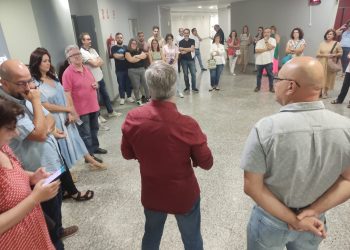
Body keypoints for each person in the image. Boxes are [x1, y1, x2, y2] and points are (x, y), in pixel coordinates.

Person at [241, 56, 350, 250]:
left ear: (290, 86)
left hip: (270, 220)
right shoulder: (346, 128)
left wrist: (294, 220)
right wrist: (312, 212)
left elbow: (252, 187)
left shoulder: (266, 129)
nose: (275, 83)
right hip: (314, 221)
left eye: (277, 79)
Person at [121, 61, 213, 250]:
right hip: (183, 194)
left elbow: (127, 153)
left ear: (149, 86)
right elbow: (207, 162)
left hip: (152, 191)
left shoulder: (133, 118)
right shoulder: (187, 124)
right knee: (192, 239)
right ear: (174, 85)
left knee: (151, 236)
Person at [0, 59, 78, 249]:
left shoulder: (24, 95)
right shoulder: (5, 108)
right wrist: (36, 102)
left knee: (54, 213)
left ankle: (57, 231)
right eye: (21, 82)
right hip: (35, 172)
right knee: (48, 215)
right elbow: (40, 133)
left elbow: (48, 120)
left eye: (29, 80)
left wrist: (44, 128)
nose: (28, 87)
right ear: (4, 83)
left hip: (48, 166)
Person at [29, 47, 106, 171]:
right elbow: (44, 105)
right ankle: (68, 171)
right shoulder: (35, 83)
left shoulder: (52, 76)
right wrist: (68, 109)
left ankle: (90, 159)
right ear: (36, 62)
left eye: (48, 60)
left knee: (76, 139)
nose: (48, 63)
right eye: (44, 61)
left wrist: (70, 111)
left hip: (65, 114)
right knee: (63, 145)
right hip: (53, 118)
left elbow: (64, 94)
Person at [0, 96, 59, 250]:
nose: (17, 132)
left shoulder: (3, 147)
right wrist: (35, 198)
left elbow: (13, 172)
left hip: (31, 231)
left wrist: (31, 177)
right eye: (9, 128)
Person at [62, 45, 108, 156]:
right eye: (73, 55)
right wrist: (72, 112)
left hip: (93, 106)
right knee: (85, 134)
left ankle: (95, 147)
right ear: (69, 59)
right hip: (81, 110)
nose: (77, 56)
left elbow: (94, 82)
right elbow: (67, 94)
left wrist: (96, 85)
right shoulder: (67, 73)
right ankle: (89, 156)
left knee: (94, 129)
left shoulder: (86, 68)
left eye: (78, 54)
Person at [79, 33, 121, 119]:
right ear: (82, 41)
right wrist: (96, 62)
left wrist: (96, 62)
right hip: (92, 80)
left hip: (99, 77)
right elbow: (94, 64)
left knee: (105, 95)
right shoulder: (81, 52)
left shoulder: (92, 50)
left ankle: (111, 112)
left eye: (90, 39)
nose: (90, 41)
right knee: (95, 99)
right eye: (87, 39)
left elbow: (102, 62)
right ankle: (98, 117)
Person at [316, 29, 342, 98]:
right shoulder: (322, 43)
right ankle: (320, 91)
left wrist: (334, 55)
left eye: (330, 34)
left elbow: (341, 53)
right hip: (322, 62)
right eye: (328, 34)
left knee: (329, 77)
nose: (329, 35)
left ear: (333, 36)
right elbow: (317, 54)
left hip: (331, 62)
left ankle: (325, 92)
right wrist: (325, 55)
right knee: (321, 76)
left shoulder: (337, 44)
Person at [111, 32, 134, 105]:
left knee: (128, 83)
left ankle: (129, 97)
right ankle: (122, 98)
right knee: (121, 84)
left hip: (127, 68)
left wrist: (121, 55)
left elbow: (129, 56)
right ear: (116, 39)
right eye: (118, 37)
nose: (119, 39)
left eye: (121, 37)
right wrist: (124, 55)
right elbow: (116, 56)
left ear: (122, 38)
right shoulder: (114, 48)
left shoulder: (126, 47)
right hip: (119, 70)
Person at [125, 38, 149, 106]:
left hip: (142, 69)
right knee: (136, 87)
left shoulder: (140, 50)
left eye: (135, 43)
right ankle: (138, 100)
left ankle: (148, 98)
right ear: (130, 44)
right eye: (132, 43)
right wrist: (140, 57)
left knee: (146, 85)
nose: (134, 44)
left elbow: (144, 56)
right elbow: (131, 60)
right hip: (132, 71)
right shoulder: (127, 51)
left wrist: (136, 56)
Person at [162, 33, 184, 98]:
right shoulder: (164, 47)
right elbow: (163, 56)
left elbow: (177, 55)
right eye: (168, 39)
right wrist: (166, 63)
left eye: (170, 39)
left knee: (177, 77)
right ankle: (169, 92)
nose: (169, 40)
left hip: (174, 64)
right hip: (167, 64)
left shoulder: (175, 46)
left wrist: (174, 61)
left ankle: (179, 91)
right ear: (166, 40)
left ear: (172, 39)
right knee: (168, 79)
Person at [254, 28, 276, 93]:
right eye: (265, 32)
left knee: (270, 75)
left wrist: (266, 41)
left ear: (270, 33)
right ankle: (258, 87)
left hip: (269, 61)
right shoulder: (259, 41)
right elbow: (257, 50)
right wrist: (266, 49)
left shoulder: (273, 40)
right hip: (259, 61)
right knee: (258, 75)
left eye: (268, 32)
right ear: (263, 34)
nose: (266, 34)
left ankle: (271, 88)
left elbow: (270, 47)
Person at [179, 28, 199, 93]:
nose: (186, 34)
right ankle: (187, 87)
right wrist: (189, 49)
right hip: (183, 60)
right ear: (183, 34)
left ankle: (194, 87)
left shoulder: (192, 40)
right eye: (185, 33)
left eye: (187, 33)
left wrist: (184, 49)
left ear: (189, 33)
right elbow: (181, 52)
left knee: (193, 74)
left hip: (191, 60)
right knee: (185, 75)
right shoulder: (181, 42)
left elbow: (192, 49)